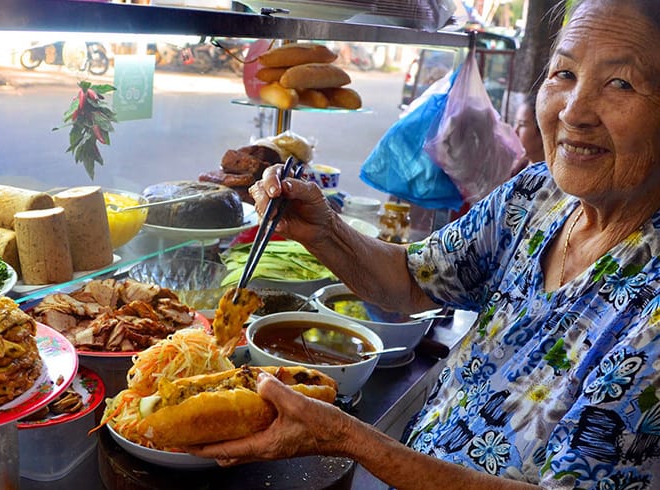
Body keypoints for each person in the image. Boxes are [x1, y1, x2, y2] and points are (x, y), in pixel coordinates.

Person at [189, 0, 660, 487]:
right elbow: (415, 280)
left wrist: (349, 439)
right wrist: (323, 229)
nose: (575, 111)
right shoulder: (536, 195)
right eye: (563, 73)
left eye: (620, 82)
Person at [510, 93, 545, 176]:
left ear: (542, 131)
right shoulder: (521, 165)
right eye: (515, 123)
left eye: (522, 125)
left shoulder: (549, 178)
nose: (515, 131)